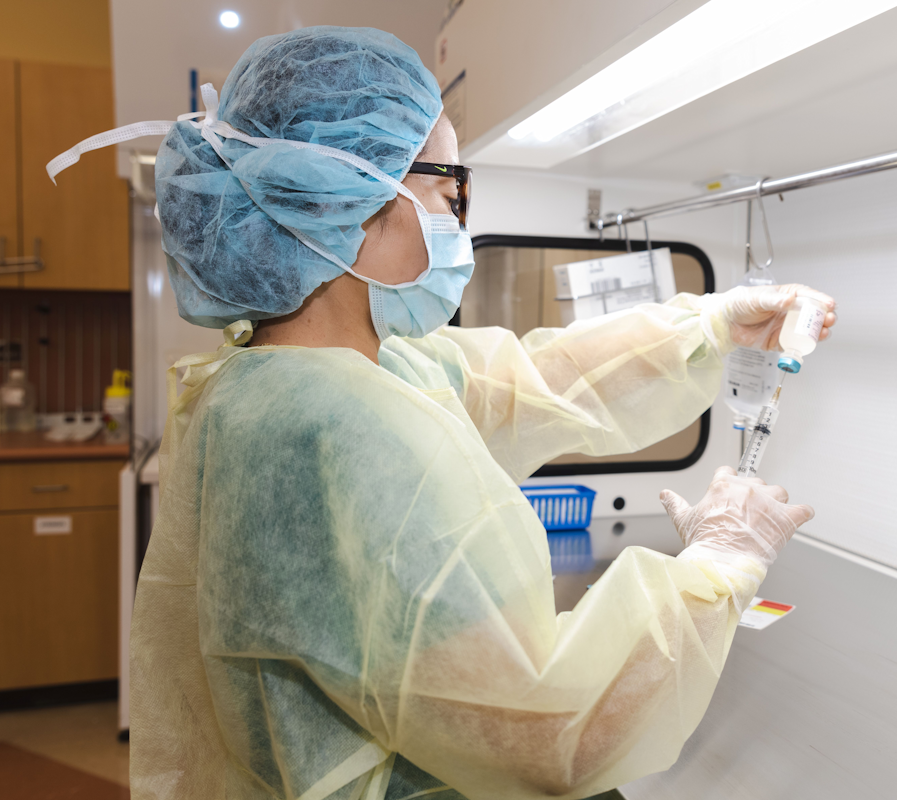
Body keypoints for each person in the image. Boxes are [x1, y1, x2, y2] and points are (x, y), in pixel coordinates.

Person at [52, 27, 836, 800]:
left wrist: (715, 325)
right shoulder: (343, 433)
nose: (455, 216)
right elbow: (552, 732)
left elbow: (542, 378)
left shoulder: (304, 380)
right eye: (447, 187)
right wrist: (716, 569)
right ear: (354, 202)